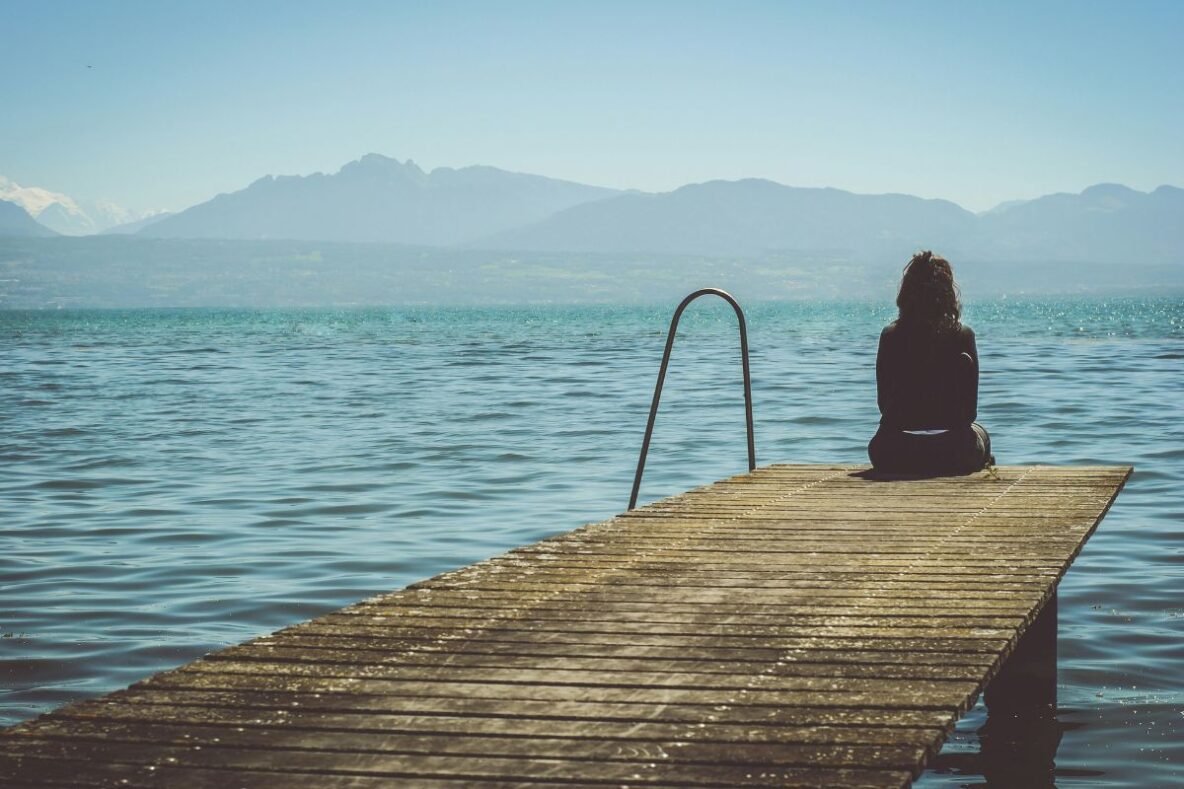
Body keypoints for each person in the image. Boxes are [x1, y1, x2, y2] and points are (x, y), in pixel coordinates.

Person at [868, 250, 993, 474]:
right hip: (953, 451)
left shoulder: (890, 336)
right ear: (948, 294)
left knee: (878, 443)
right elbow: (970, 413)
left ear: (906, 292)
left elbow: (883, 405)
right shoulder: (963, 335)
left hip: (896, 450)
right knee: (981, 433)